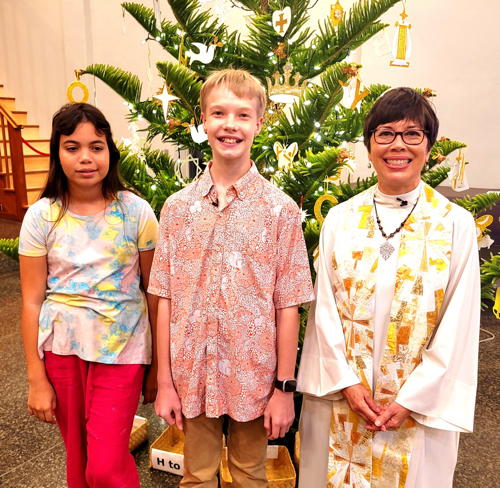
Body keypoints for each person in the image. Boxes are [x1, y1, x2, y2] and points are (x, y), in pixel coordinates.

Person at [297, 87, 480, 488]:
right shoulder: (341, 220)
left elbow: (459, 321)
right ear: (369, 145)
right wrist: (346, 381)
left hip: (418, 407)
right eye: (385, 133)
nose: (398, 145)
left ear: (429, 145)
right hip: (340, 398)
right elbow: (324, 308)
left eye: (412, 134)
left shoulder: (454, 224)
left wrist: (411, 397)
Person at [149, 69, 314, 487]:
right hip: (192, 376)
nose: (230, 125)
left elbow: (287, 305)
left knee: (248, 476)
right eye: (218, 113)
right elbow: (164, 298)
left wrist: (284, 389)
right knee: (197, 476)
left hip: (255, 379)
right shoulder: (176, 209)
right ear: (202, 120)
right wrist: (164, 382)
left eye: (242, 115)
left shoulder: (280, 212)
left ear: (259, 123)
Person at [18, 103, 159, 488]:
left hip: (123, 348)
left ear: (110, 151)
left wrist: (159, 367)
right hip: (61, 351)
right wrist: (35, 378)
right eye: (72, 146)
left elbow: (155, 293)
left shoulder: (136, 212)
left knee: (105, 465)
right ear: (56, 152)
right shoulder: (41, 216)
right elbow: (31, 300)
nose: (85, 158)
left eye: (96, 146)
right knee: (78, 461)